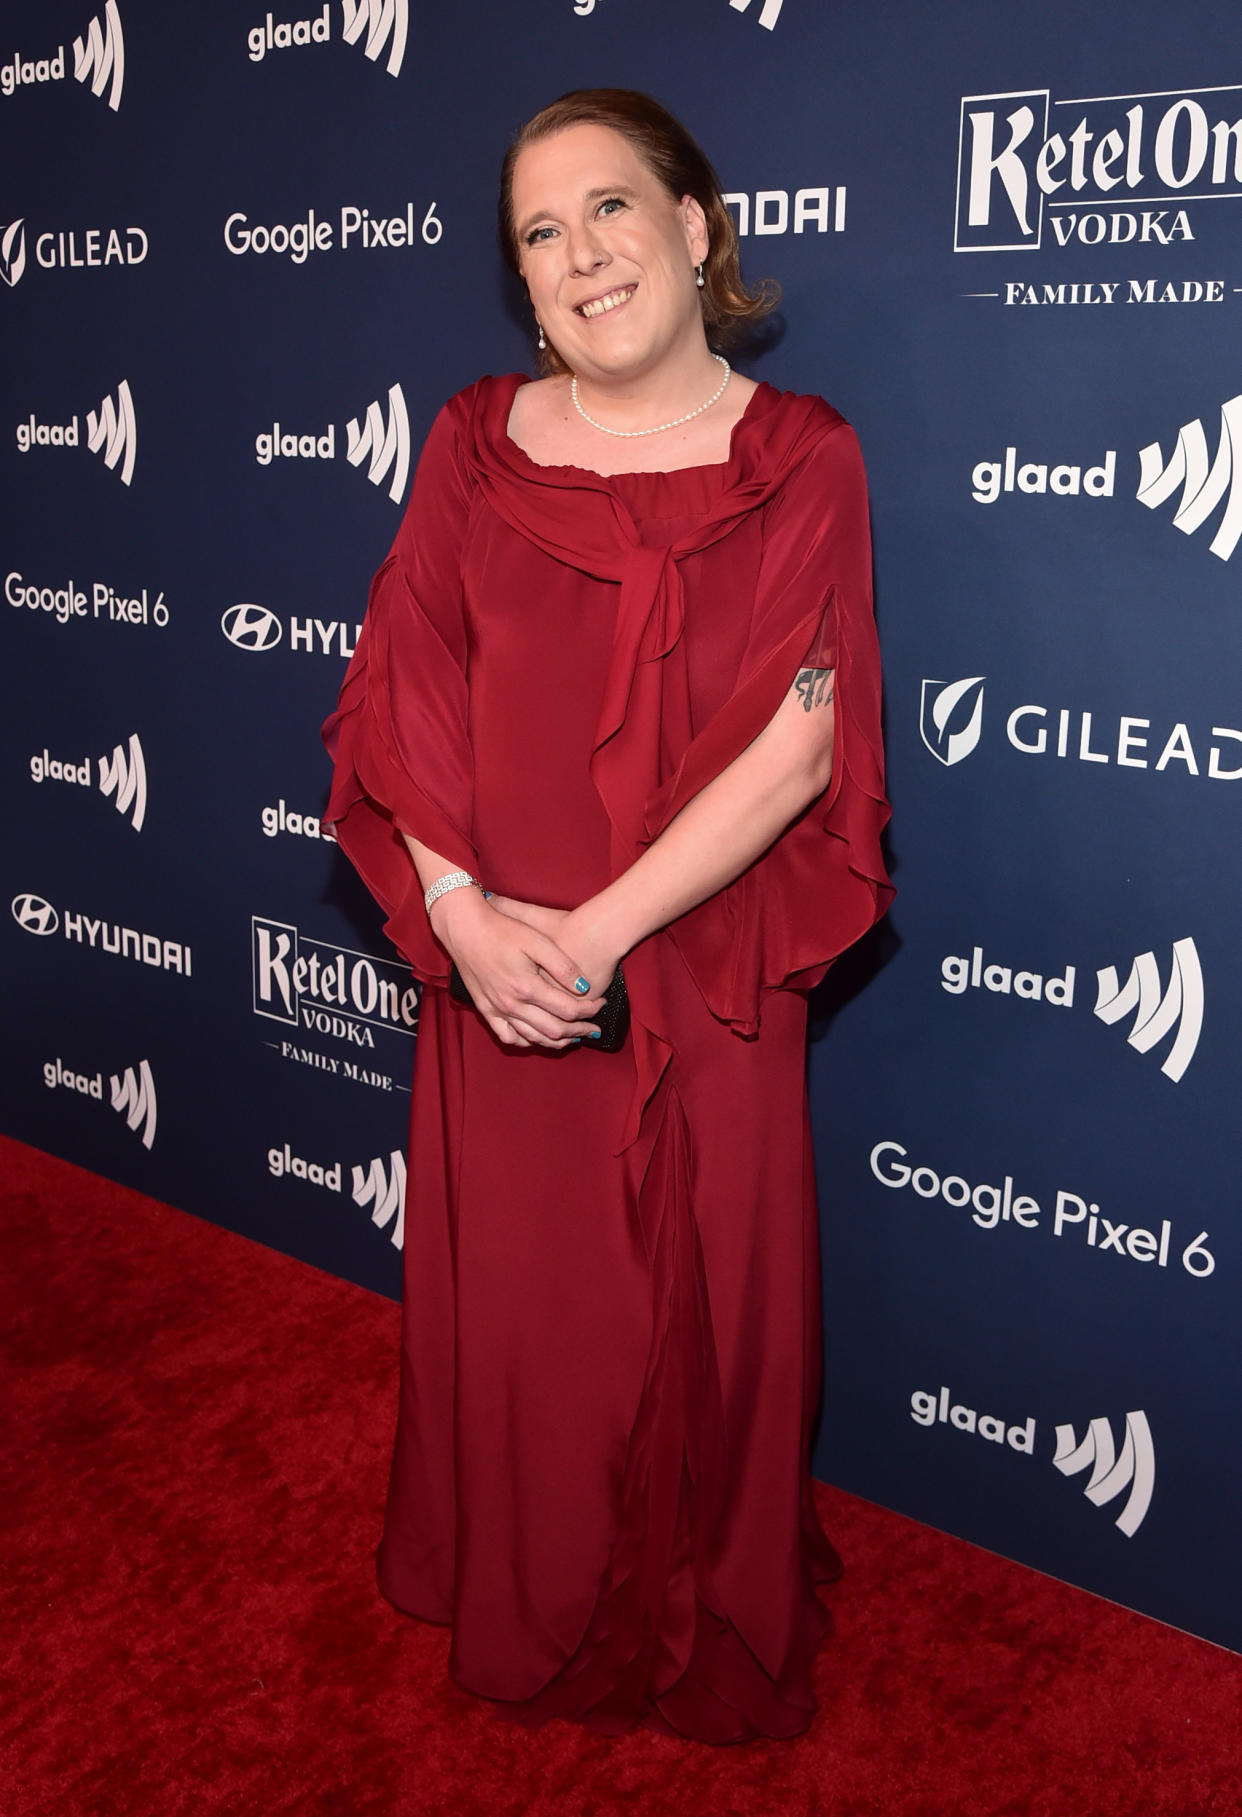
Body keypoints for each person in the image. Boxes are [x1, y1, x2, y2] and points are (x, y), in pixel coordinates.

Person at [321, 87, 893, 1744]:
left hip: (702, 967)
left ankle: (708, 1594)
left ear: (696, 229)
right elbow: (403, 690)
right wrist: (459, 909)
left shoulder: (805, 458)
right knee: (538, 1320)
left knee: (715, 1309)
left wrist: (592, 932)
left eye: (610, 210)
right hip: (494, 968)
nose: (580, 256)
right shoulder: (470, 442)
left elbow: (802, 746)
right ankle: (538, 1577)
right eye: (539, 233)